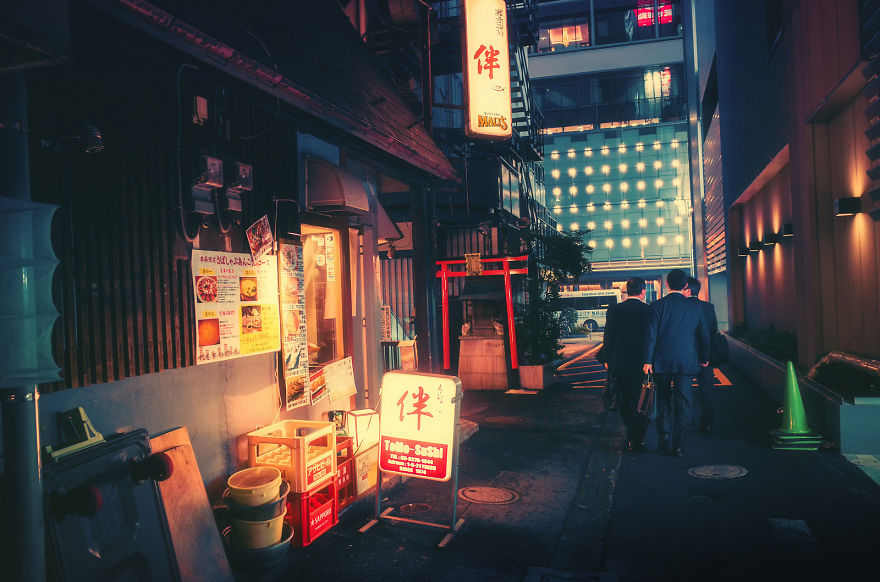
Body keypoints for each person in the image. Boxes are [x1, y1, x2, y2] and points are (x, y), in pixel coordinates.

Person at [643, 269, 710, 457]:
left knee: (663, 399)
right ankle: (678, 444)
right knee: (684, 402)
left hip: (661, 362)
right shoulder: (696, 308)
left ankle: (664, 435)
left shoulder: (656, 306)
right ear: (685, 285)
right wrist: (704, 358)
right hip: (686, 362)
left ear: (667, 284)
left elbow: (650, 336)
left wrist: (647, 361)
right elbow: (704, 336)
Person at [603, 278, 651, 452]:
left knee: (625, 400)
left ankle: (630, 436)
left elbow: (608, 335)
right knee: (641, 401)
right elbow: (652, 337)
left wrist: (607, 359)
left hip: (619, 362)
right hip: (642, 364)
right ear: (643, 291)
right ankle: (637, 439)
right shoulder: (648, 310)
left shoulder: (615, 309)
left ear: (627, 291)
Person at [685, 276, 719, 434]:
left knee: (684, 390)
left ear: (687, 290)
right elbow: (713, 331)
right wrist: (706, 357)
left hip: (686, 356)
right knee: (707, 391)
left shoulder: (682, 307)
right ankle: (708, 424)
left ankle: (687, 420)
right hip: (705, 356)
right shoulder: (708, 307)